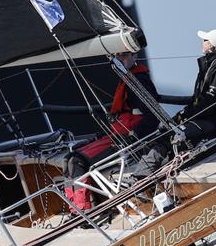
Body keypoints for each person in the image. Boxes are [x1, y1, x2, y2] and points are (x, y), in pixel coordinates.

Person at [65, 51, 160, 210]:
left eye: (124, 55)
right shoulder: (127, 79)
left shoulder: (139, 81)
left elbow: (153, 117)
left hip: (127, 137)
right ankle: (74, 208)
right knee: (69, 158)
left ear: (134, 55)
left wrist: (135, 134)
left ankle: (84, 210)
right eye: (117, 56)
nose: (120, 60)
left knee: (77, 161)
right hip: (117, 134)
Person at [137, 29, 216, 175]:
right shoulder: (210, 65)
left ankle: (141, 176)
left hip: (215, 122)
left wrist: (185, 114)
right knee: (161, 131)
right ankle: (148, 171)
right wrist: (161, 98)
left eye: (205, 40)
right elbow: (197, 99)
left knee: (170, 135)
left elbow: (209, 102)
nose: (202, 42)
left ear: (211, 46)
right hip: (206, 118)